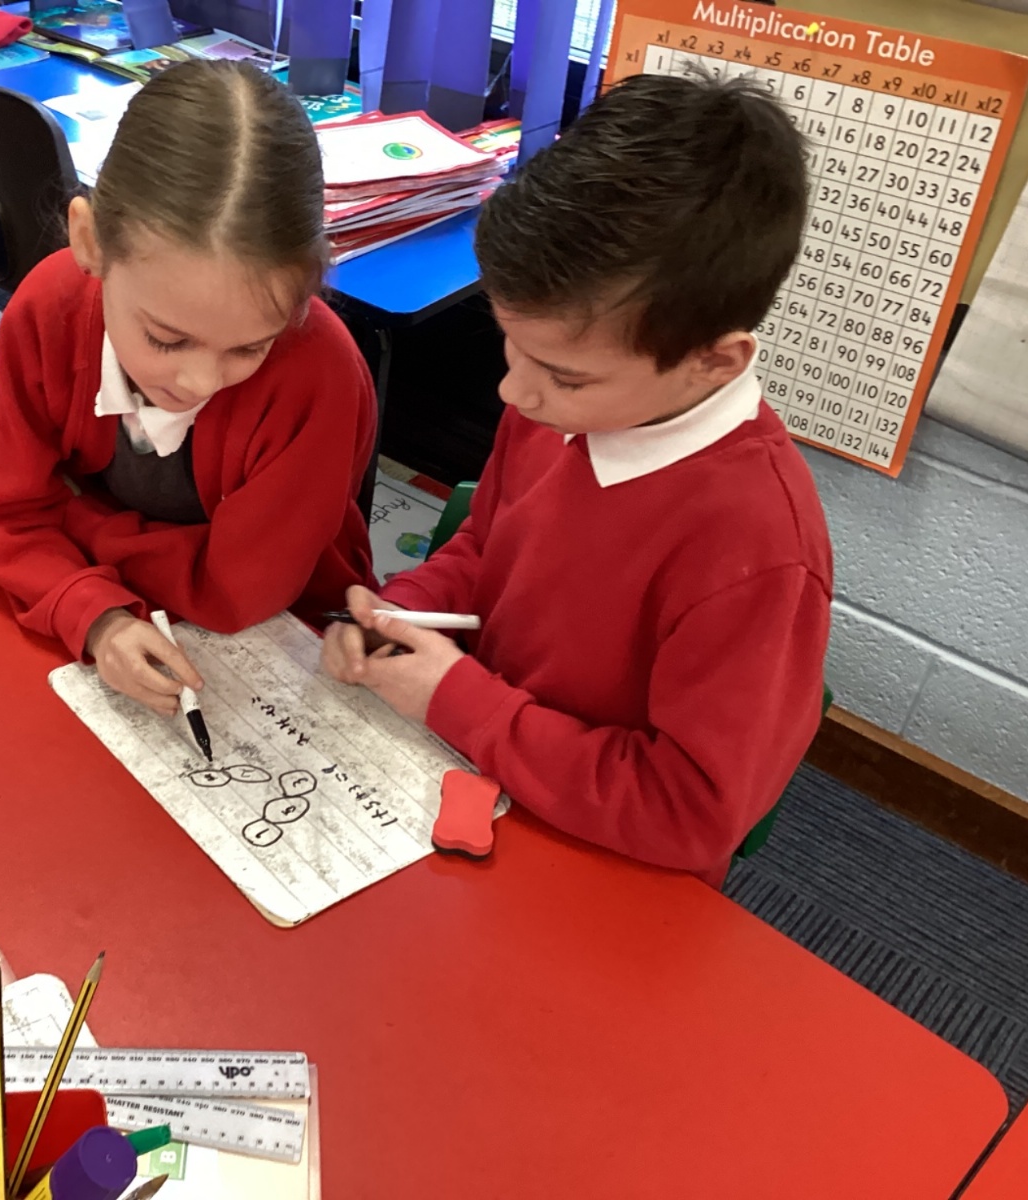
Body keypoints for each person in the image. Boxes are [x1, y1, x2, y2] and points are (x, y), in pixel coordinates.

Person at [322, 73, 833, 886]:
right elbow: (488, 546)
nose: (514, 393)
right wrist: (405, 610)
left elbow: (689, 814)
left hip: (604, 863)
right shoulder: (564, 405)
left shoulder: (758, 548)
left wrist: (458, 699)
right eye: (510, 345)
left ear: (715, 361)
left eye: (562, 374)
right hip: (474, 782)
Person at [0, 60, 377, 716]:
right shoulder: (48, 309)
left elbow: (236, 595)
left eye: (250, 347)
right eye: (167, 339)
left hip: (292, 648)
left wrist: (66, 519)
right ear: (89, 240)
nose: (200, 381)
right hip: (122, 625)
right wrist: (97, 615)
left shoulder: (318, 372)